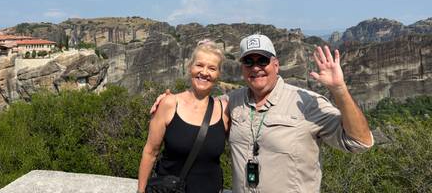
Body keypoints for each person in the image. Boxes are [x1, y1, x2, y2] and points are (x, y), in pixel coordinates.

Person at [151, 34, 374, 192]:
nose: (256, 67)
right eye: (249, 61)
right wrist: (170, 100)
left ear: (276, 64)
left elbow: (360, 142)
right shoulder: (232, 102)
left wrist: (339, 90)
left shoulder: (307, 102)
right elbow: (196, 106)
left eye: (263, 60)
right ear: (242, 68)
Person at [137, 40, 229, 193]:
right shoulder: (169, 104)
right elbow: (150, 151)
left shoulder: (224, 110)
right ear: (190, 67)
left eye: (212, 68)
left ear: (218, 74)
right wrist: (140, 191)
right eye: (199, 65)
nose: (204, 72)